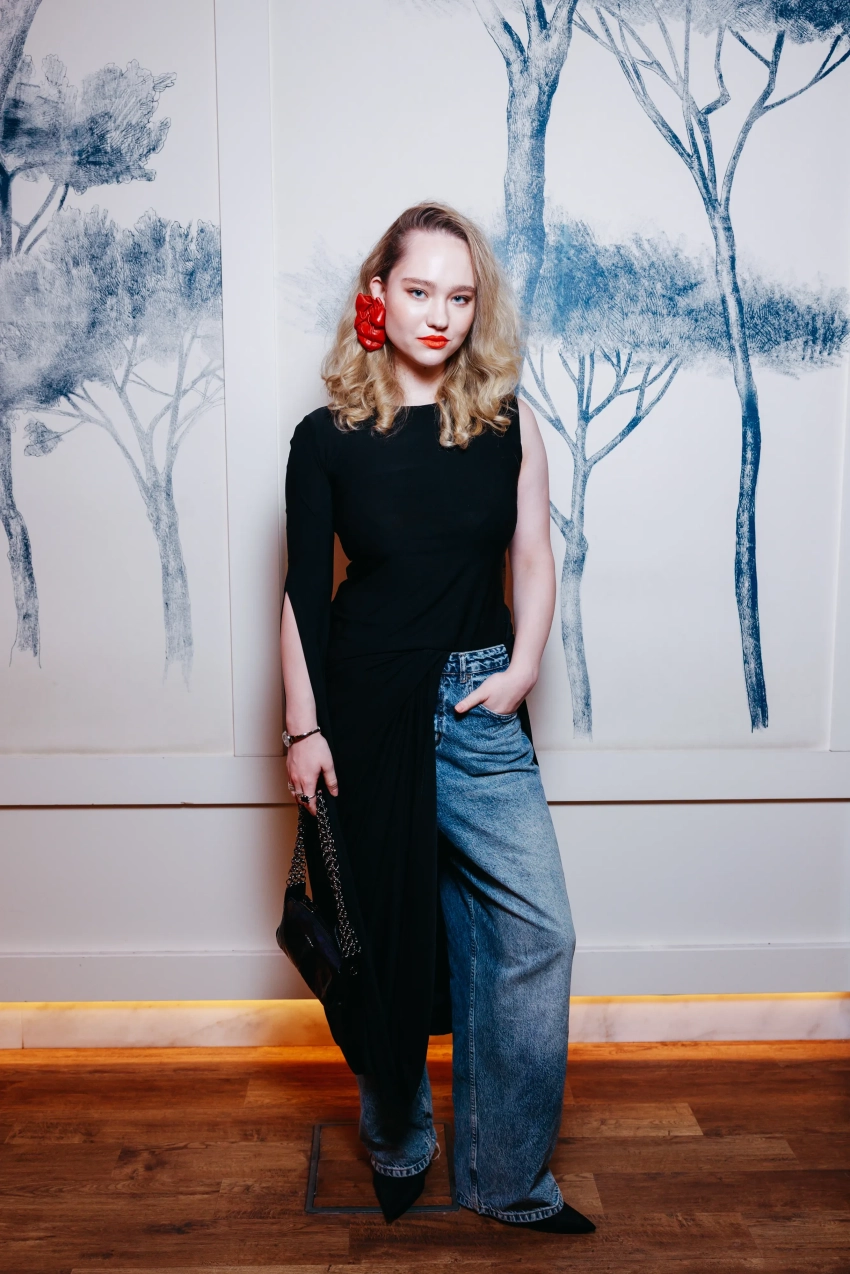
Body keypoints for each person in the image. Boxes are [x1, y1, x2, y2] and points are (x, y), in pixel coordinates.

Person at [280, 203, 593, 1235]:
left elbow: (534, 557)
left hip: (476, 701)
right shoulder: (324, 439)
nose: (440, 314)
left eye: (460, 297)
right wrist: (303, 729)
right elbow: (302, 594)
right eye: (420, 291)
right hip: (363, 706)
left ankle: (504, 1177)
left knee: (536, 932)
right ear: (378, 293)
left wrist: (523, 667)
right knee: (386, 938)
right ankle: (398, 1142)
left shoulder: (507, 421)